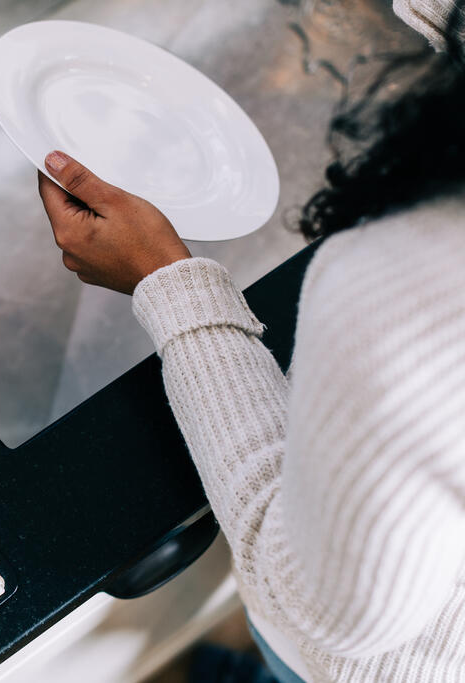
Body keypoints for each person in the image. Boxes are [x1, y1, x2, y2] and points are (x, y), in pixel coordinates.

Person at [36, 2, 465, 681]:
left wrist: (164, 280)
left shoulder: (417, 295)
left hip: (374, 661)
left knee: (283, 660)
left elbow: (314, 601)